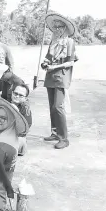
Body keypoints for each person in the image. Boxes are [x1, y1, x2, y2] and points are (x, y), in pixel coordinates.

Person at [41, 12, 77, 149]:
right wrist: (45, 63)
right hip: (50, 76)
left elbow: (71, 62)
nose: (57, 29)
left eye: (60, 27)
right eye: (55, 27)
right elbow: (48, 57)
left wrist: (55, 66)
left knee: (58, 106)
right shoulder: (53, 42)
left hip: (61, 76)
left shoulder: (69, 42)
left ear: (65, 28)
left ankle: (64, 138)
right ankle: (55, 132)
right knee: (52, 106)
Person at [10, 83, 32, 156]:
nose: (17, 96)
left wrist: (16, 113)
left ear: (25, 98)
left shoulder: (26, 110)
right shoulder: (5, 104)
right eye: (15, 93)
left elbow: (23, 131)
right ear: (12, 93)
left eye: (21, 95)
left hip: (18, 138)